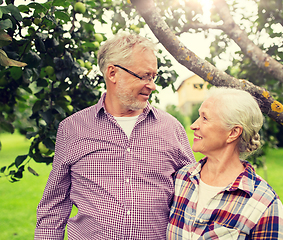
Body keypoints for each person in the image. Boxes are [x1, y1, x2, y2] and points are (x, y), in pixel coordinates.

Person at [34, 32, 195, 239]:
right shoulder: (72, 129)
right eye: (144, 76)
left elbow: (193, 197)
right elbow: (54, 206)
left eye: (153, 77)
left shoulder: (171, 128)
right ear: (112, 73)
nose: (152, 85)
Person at [167, 87, 283, 240]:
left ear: (233, 133)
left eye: (204, 118)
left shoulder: (264, 203)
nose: (193, 125)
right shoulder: (180, 179)